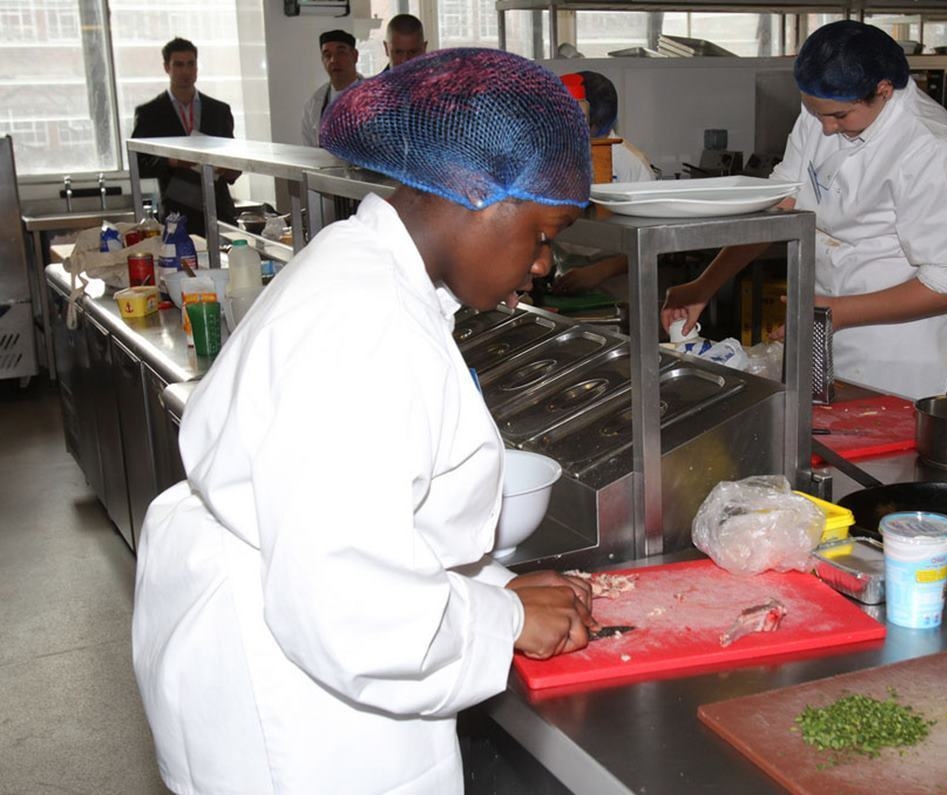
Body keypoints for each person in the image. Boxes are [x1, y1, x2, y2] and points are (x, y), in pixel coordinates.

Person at [132, 49, 599, 793]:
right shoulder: (367, 325)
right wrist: (504, 623)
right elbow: (349, 601)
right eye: (543, 234)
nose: (544, 264)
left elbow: (372, 519)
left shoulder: (365, 266)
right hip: (300, 703)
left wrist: (494, 587)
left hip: (275, 630)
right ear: (474, 194)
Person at [660, 21, 947, 400]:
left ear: (883, 91)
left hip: (896, 346)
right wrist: (705, 284)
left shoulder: (934, 150)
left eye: (838, 117)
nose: (824, 128)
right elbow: (780, 207)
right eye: (814, 111)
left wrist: (835, 312)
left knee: (873, 452)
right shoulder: (822, 111)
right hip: (821, 319)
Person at [551, 70, 654, 295]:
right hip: (566, 275)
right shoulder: (554, 155)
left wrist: (597, 272)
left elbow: (652, 246)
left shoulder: (630, 163)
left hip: (618, 283)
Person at [132, 37, 239, 231]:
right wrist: (172, 161)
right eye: (178, 65)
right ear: (167, 67)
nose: (185, 71)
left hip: (219, 208)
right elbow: (140, 163)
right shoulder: (151, 113)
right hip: (178, 210)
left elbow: (233, 160)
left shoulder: (218, 110)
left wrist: (229, 168)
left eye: (191, 64)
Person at [301, 29, 363, 147]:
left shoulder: (375, 98)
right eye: (327, 55)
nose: (334, 60)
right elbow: (309, 151)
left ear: (355, 56)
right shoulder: (314, 105)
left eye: (341, 53)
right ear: (322, 60)